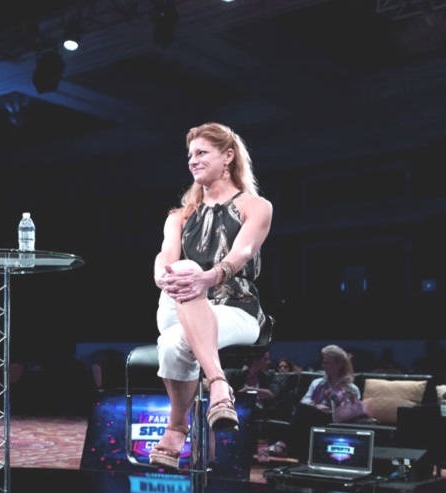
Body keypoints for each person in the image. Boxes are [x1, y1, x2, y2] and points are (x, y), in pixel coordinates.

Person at [149, 122, 273, 469]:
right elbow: (166, 255)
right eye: (190, 155)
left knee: (173, 343)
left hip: (237, 309)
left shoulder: (256, 206)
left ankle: (176, 427)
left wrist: (212, 276)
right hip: (178, 304)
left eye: (201, 152)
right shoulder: (180, 216)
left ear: (228, 156)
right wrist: (161, 272)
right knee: (183, 270)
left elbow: (244, 250)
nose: (192, 160)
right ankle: (218, 385)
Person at [266, 344, 362, 460]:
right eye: (323, 363)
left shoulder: (351, 388)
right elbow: (304, 401)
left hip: (336, 418)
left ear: (339, 364)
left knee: (304, 414)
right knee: (304, 411)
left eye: (327, 363)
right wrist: (317, 406)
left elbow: (353, 412)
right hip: (315, 416)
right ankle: (294, 454)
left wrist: (349, 403)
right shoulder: (317, 383)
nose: (324, 366)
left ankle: (282, 444)